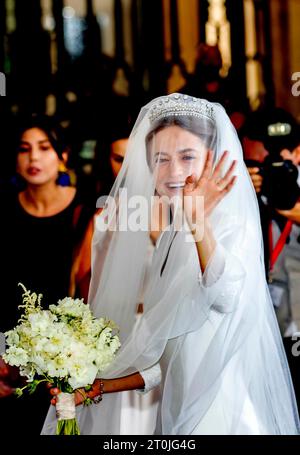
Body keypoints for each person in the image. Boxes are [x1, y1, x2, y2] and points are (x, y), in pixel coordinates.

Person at [43, 94, 299, 435]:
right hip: (177, 417)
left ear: (213, 158)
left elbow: (224, 294)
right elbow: (172, 356)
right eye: (161, 159)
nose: (173, 171)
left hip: (221, 414)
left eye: (187, 156)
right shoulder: (173, 234)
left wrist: (198, 225)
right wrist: (103, 385)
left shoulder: (230, 224)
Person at [0, 115, 92, 434]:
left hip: (67, 360)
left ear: (63, 156)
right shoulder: (5, 211)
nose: (34, 158)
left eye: (44, 147)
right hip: (11, 360)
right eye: (24, 149)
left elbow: (89, 289)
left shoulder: (85, 212)